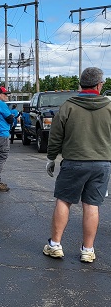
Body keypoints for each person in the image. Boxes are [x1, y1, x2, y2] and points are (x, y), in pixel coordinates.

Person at [43, 67, 111, 263]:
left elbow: (55, 136)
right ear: (99, 85)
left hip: (74, 162)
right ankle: (88, 250)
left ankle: (55, 245)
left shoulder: (68, 107)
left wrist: (51, 158)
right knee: (92, 205)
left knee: (64, 201)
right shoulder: (108, 108)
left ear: (80, 84)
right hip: (101, 164)